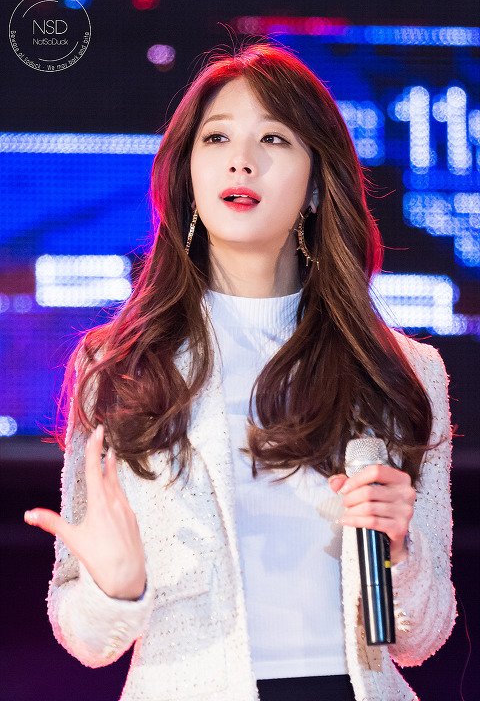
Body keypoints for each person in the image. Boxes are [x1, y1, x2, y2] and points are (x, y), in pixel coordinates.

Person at [24, 41, 456, 701]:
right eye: (217, 137)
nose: (241, 160)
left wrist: (399, 552)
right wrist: (116, 588)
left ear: (317, 185)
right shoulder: (121, 368)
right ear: (188, 177)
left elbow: (423, 635)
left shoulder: (403, 372)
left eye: (273, 139)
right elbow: (84, 635)